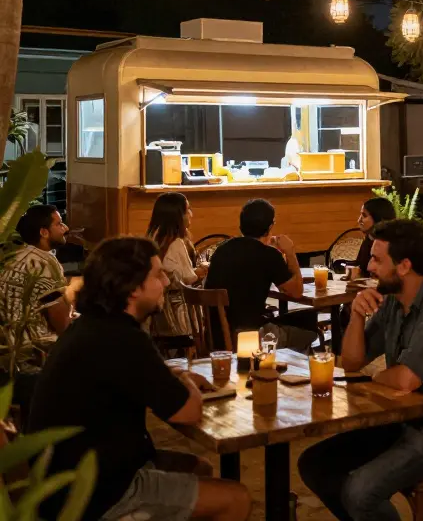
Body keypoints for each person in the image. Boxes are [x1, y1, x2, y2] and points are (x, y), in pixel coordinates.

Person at [25, 237, 251, 521]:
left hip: (63, 481)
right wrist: (187, 380)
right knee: (236, 499)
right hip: (94, 492)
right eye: (158, 275)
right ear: (132, 288)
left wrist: (173, 375)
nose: (166, 282)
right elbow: (188, 411)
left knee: (198, 468)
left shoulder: (93, 326)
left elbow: (130, 375)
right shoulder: (123, 337)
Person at [298, 219, 423, 521]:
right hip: (402, 420)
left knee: (360, 491)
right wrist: (356, 314)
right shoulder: (393, 301)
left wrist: (377, 377)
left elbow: (404, 380)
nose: (368, 266)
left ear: (404, 266)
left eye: (377, 259)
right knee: (314, 464)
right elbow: (351, 362)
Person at [204, 198, 312, 351]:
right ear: (270, 227)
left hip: (215, 337)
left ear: (241, 225)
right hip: (250, 337)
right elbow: (296, 291)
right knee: (309, 330)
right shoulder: (269, 255)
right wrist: (290, 252)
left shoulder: (222, 250)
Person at [1, 204, 72, 343]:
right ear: (44, 232)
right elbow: (60, 319)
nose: (66, 228)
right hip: (33, 344)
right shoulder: (44, 262)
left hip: (8, 341)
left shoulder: (15, 255)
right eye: (59, 224)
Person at [146, 192, 207, 341]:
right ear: (177, 215)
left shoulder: (152, 236)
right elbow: (187, 278)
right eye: (187, 210)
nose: (191, 214)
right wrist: (203, 270)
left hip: (155, 315)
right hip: (177, 318)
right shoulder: (175, 242)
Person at [351, 196, 398, 276]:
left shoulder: (390, 245)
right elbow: (360, 267)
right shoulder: (369, 239)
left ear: (378, 218)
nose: (359, 220)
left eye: (364, 216)